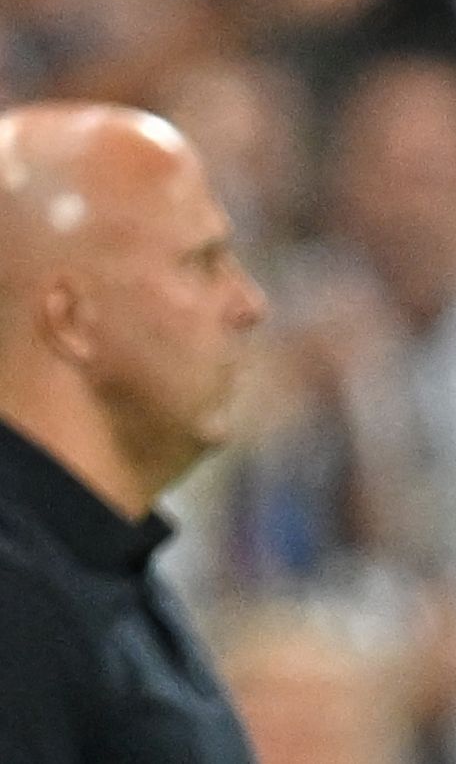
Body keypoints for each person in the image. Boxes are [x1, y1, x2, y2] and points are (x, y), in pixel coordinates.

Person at [0, 103, 267, 762]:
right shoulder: (17, 609)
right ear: (70, 319)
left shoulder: (103, 568)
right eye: (202, 262)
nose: (248, 303)